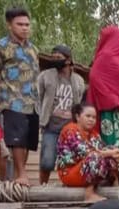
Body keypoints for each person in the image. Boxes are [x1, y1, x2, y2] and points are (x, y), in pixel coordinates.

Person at [0, 6, 40, 187]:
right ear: (9, 25)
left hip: (31, 101)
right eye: (20, 24)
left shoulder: (33, 48)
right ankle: (22, 174)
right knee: (16, 138)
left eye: (27, 24)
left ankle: (19, 174)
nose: (24, 28)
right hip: (11, 99)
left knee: (27, 140)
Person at [56, 103, 119, 201]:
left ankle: (116, 187)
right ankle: (89, 194)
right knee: (95, 157)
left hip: (86, 172)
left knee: (111, 156)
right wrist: (110, 152)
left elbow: (103, 149)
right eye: (88, 116)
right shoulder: (70, 130)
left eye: (94, 117)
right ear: (78, 117)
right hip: (70, 173)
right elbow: (85, 152)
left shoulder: (94, 134)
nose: (91, 120)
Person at [37, 44, 86, 184]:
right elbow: (38, 97)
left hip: (70, 128)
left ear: (68, 59)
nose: (55, 60)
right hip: (51, 126)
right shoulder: (45, 76)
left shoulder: (78, 81)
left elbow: (79, 101)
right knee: (47, 161)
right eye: (53, 57)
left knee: (70, 160)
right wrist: (42, 115)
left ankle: (69, 185)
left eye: (58, 57)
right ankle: (42, 187)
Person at [87, 25, 119, 148]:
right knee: (112, 146)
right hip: (111, 110)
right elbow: (94, 76)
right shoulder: (106, 56)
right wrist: (110, 98)